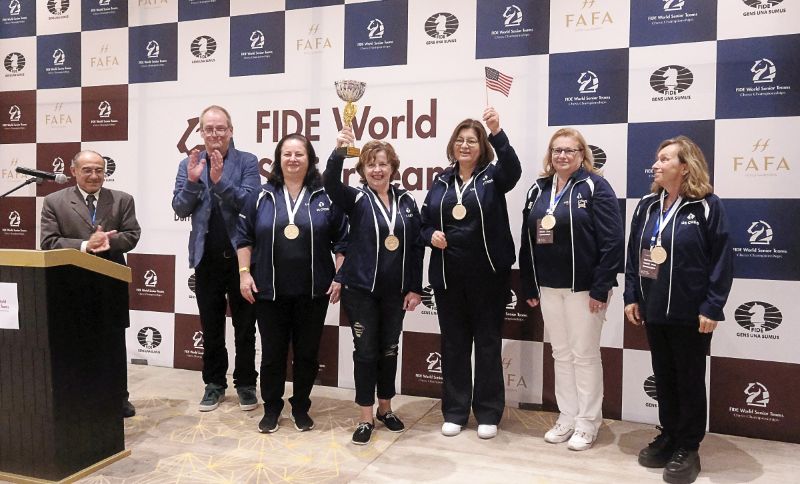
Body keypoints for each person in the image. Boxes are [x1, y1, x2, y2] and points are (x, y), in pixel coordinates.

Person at [624, 136, 733, 484]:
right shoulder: (647, 205)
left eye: (664, 159)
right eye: (657, 159)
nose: (655, 165)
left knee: (688, 379)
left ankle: (688, 446)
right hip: (654, 309)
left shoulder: (707, 206)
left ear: (685, 167)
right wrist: (631, 296)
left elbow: (722, 260)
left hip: (691, 313)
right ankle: (670, 435)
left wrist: (712, 306)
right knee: (665, 377)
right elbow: (634, 254)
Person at [518, 128, 624, 451]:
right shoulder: (538, 189)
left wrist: (600, 287)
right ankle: (567, 416)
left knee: (584, 355)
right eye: (557, 150)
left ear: (582, 155)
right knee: (561, 354)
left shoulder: (595, 186)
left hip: (584, 289)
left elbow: (613, 241)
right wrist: (529, 282)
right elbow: (527, 239)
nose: (562, 155)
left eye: (569, 150)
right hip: (549, 287)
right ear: (550, 155)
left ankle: (588, 422)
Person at [420, 107, 521, 440]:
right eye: (460, 140)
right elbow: (423, 222)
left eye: (472, 141)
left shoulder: (494, 176)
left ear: (482, 146)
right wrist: (430, 235)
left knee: (488, 344)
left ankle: (488, 413)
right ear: (453, 145)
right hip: (448, 277)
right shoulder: (441, 180)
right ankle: (455, 411)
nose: (465, 146)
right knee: (454, 345)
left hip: (488, 276)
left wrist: (497, 131)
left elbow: (514, 170)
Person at [236, 133, 347, 433]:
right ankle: (271, 407)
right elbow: (244, 238)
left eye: (299, 154)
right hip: (269, 290)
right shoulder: (260, 196)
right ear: (278, 159)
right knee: (272, 354)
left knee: (307, 354)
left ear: (310, 159)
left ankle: (300, 407)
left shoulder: (325, 196)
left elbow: (342, 242)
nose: (293, 159)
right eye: (287, 154)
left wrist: (339, 276)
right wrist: (244, 273)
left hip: (313, 291)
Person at [324, 131, 424, 445]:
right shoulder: (356, 199)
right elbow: (329, 182)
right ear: (362, 170)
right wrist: (340, 151)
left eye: (382, 164)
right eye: (370, 164)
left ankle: (386, 409)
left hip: (395, 293)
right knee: (366, 353)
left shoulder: (407, 201)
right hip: (361, 292)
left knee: (389, 350)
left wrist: (415, 287)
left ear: (393, 167)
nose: (377, 170)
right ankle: (365, 417)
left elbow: (416, 247)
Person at [40, 149, 141, 418]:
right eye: (87, 170)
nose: (94, 175)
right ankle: (76, 398)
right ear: (73, 171)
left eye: (99, 170)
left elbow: (132, 234)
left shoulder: (122, 200)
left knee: (113, 344)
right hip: (69, 286)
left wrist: (109, 241)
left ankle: (118, 398)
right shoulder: (54, 202)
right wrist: (85, 244)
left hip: (110, 283)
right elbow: (48, 242)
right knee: (74, 343)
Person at [172, 105, 260, 412]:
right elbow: (180, 208)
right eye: (208, 129)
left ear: (231, 131)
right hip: (206, 259)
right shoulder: (188, 164)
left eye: (220, 128)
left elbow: (249, 203)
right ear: (201, 132)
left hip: (242, 259)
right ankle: (214, 384)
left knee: (245, 327)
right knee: (210, 327)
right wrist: (193, 182)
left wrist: (220, 180)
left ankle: (246, 384)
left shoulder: (247, 161)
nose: (215, 134)